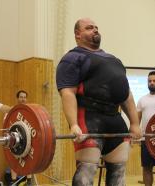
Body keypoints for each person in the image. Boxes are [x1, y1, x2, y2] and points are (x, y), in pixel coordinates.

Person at [56, 18, 142, 186]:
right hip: (89, 118)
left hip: (115, 119)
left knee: (119, 170)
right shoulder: (72, 58)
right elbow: (68, 93)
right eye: (89, 28)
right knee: (87, 170)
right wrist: (73, 124)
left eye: (96, 27)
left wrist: (135, 123)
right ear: (77, 34)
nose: (95, 30)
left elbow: (126, 94)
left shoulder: (114, 60)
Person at [9, 90, 33, 186]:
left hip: (28, 140)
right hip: (15, 141)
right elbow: (8, 126)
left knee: (29, 160)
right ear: (17, 98)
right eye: (21, 97)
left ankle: (29, 182)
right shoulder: (11, 111)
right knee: (13, 160)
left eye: (24, 97)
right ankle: (14, 182)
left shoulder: (30, 112)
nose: (23, 99)